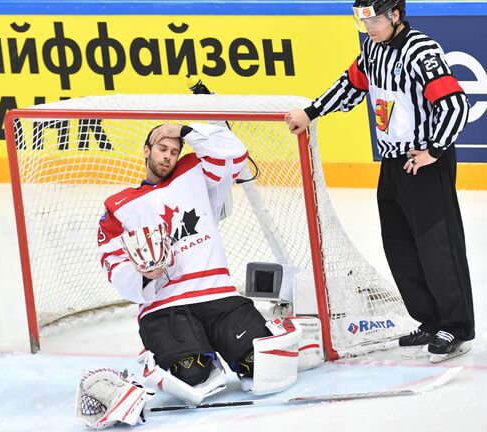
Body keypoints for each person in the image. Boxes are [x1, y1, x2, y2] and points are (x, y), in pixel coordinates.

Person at [285, 0, 474, 361]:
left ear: (396, 16)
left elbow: (454, 104)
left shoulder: (421, 50)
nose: (367, 27)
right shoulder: (372, 49)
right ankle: (430, 321)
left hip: (424, 163)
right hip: (392, 162)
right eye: (361, 20)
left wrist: (433, 150)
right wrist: (312, 111)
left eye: (373, 19)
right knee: (400, 246)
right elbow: (350, 86)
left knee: (438, 247)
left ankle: (457, 325)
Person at [96, 122, 319, 404]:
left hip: (217, 296)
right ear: (146, 151)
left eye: (174, 151)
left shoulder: (195, 172)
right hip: (165, 307)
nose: (167, 156)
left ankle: (271, 334)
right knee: (193, 377)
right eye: (162, 149)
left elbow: (236, 154)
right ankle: (165, 357)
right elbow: (114, 264)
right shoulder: (118, 205)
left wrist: (185, 130)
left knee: (259, 369)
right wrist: (146, 275)